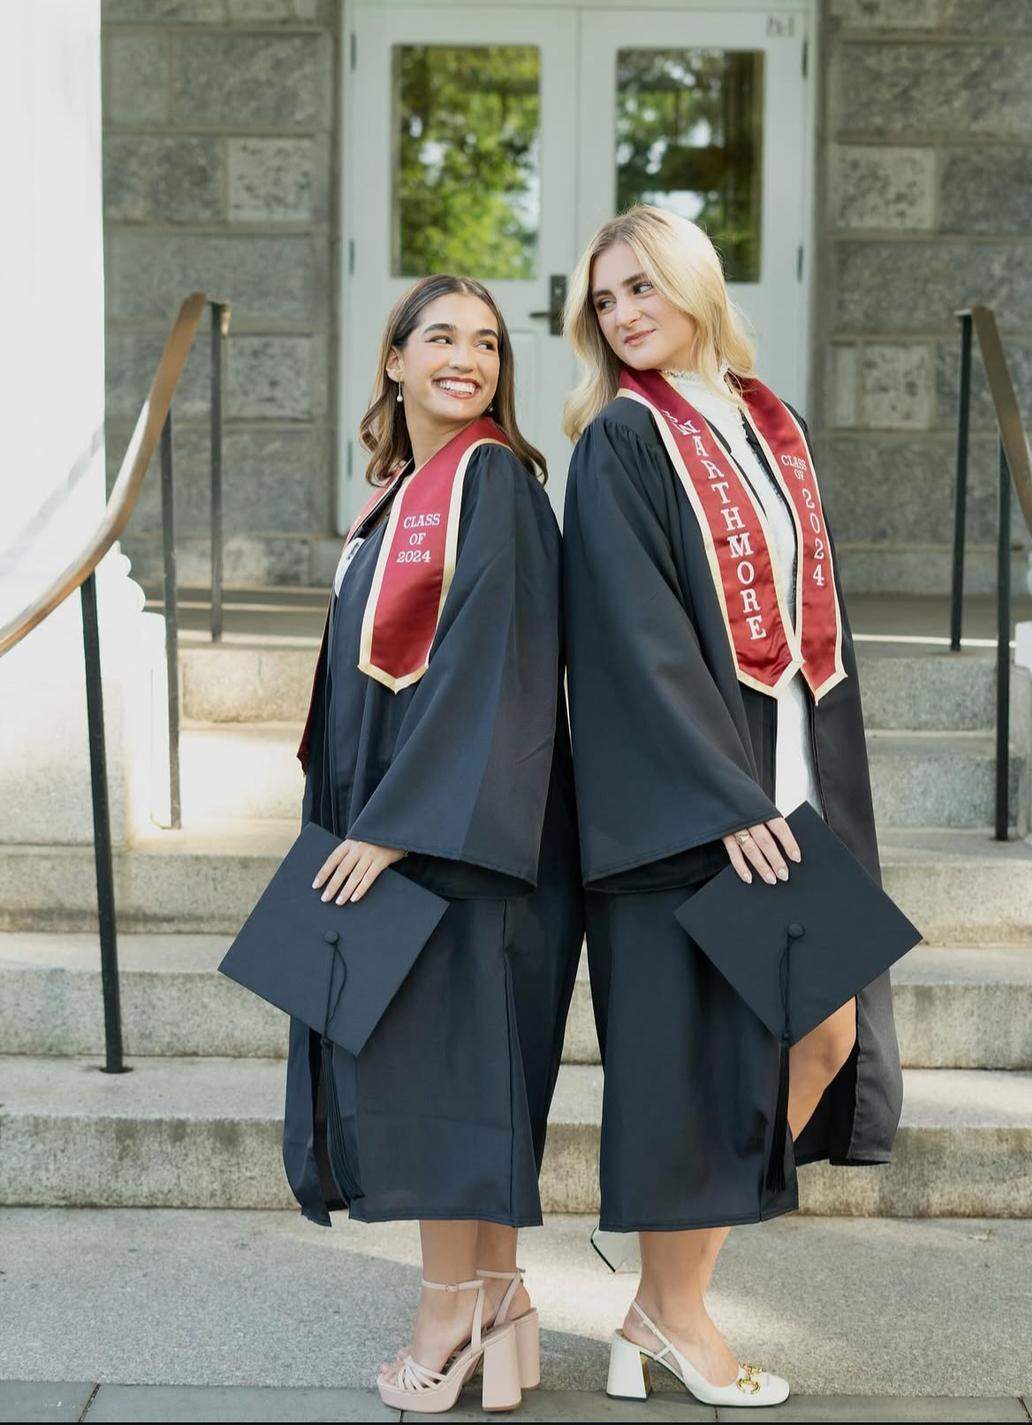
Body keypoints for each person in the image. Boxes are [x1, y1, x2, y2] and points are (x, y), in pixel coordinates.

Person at [561, 205, 903, 1408]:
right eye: (606, 301)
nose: (627, 315)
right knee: (705, 1065)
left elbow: (823, 611)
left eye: (644, 288)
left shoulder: (772, 422)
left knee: (824, 1037)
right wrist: (720, 794)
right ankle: (683, 1317)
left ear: (696, 286)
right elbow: (634, 642)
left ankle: (660, 1308)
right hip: (701, 811)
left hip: (799, 787)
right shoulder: (619, 444)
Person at [282, 274, 582, 1414]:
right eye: (442, 337)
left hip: (462, 840)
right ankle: (499, 1307)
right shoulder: (398, 496)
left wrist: (397, 829)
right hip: (410, 823)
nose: (469, 357)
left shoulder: (492, 482)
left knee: (452, 1086)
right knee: (459, 1083)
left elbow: (497, 669)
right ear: (395, 361)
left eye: (491, 344)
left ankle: (448, 1317)